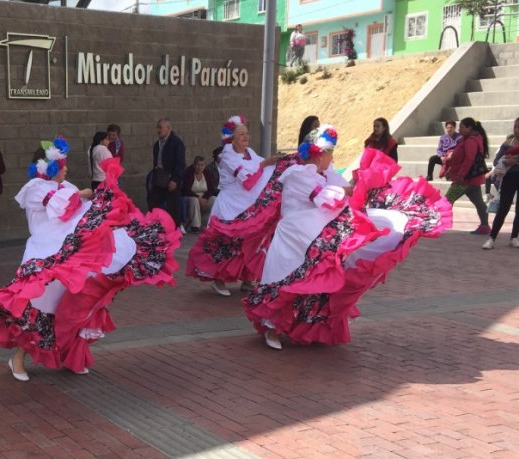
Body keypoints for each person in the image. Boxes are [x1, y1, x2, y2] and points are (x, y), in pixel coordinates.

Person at [0, 137, 180, 380]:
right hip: (44, 255)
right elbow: (64, 207)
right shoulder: (35, 188)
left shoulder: (65, 186)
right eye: (63, 164)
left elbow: (82, 213)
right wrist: (83, 194)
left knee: (77, 303)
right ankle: (17, 358)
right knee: (39, 307)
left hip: (69, 254)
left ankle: (72, 357)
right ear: (50, 167)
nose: (67, 168)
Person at [244, 127, 452, 350]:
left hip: (312, 230)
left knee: (320, 277)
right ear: (319, 154)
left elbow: (337, 193)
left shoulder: (323, 174)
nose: (332, 157)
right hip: (295, 234)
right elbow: (324, 198)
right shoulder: (298, 174)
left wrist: (360, 187)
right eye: (330, 153)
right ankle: (273, 329)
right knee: (294, 280)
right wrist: (354, 189)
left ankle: (305, 328)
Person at [186, 115, 291, 296]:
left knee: (250, 240)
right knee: (227, 243)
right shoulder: (227, 156)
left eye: (247, 133)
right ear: (231, 138)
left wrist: (279, 163)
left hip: (247, 205)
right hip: (230, 206)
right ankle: (218, 280)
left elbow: (263, 170)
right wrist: (266, 163)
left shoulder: (250, 153)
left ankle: (247, 279)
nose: (246, 136)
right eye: (241, 134)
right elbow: (247, 181)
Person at [483, 117, 519, 250]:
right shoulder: (508, 143)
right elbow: (496, 160)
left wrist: (518, 158)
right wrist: (506, 161)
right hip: (509, 177)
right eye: (515, 127)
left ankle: (514, 237)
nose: (516, 130)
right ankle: (492, 238)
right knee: (504, 207)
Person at [444, 117, 492, 235]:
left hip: (465, 179)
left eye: (462, 127)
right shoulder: (469, 139)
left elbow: (469, 159)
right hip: (471, 179)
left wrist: (461, 175)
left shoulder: (470, 141)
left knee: (447, 200)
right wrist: (451, 169)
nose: (459, 129)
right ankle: (485, 226)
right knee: (479, 202)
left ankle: (439, 224)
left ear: (469, 128)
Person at [149, 118, 186, 229]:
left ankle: (174, 229)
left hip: (171, 179)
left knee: (172, 206)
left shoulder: (177, 143)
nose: (158, 130)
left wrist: (175, 180)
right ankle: (154, 227)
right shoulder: (157, 144)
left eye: (160, 127)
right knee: (153, 201)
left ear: (168, 128)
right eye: (157, 127)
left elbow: (180, 163)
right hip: (159, 178)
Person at [180, 156, 219, 233]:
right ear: (194, 165)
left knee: (214, 199)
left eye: (202, 165)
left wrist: (205, 198)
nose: (200, 167)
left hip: (204, 196)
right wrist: (198, 198)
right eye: (198, 165)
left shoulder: (206, 173)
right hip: (191, 196)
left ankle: (213, 224)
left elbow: (211, 188)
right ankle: (195, 226)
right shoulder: (189, 172)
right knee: (194, 200)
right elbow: (186, 189)